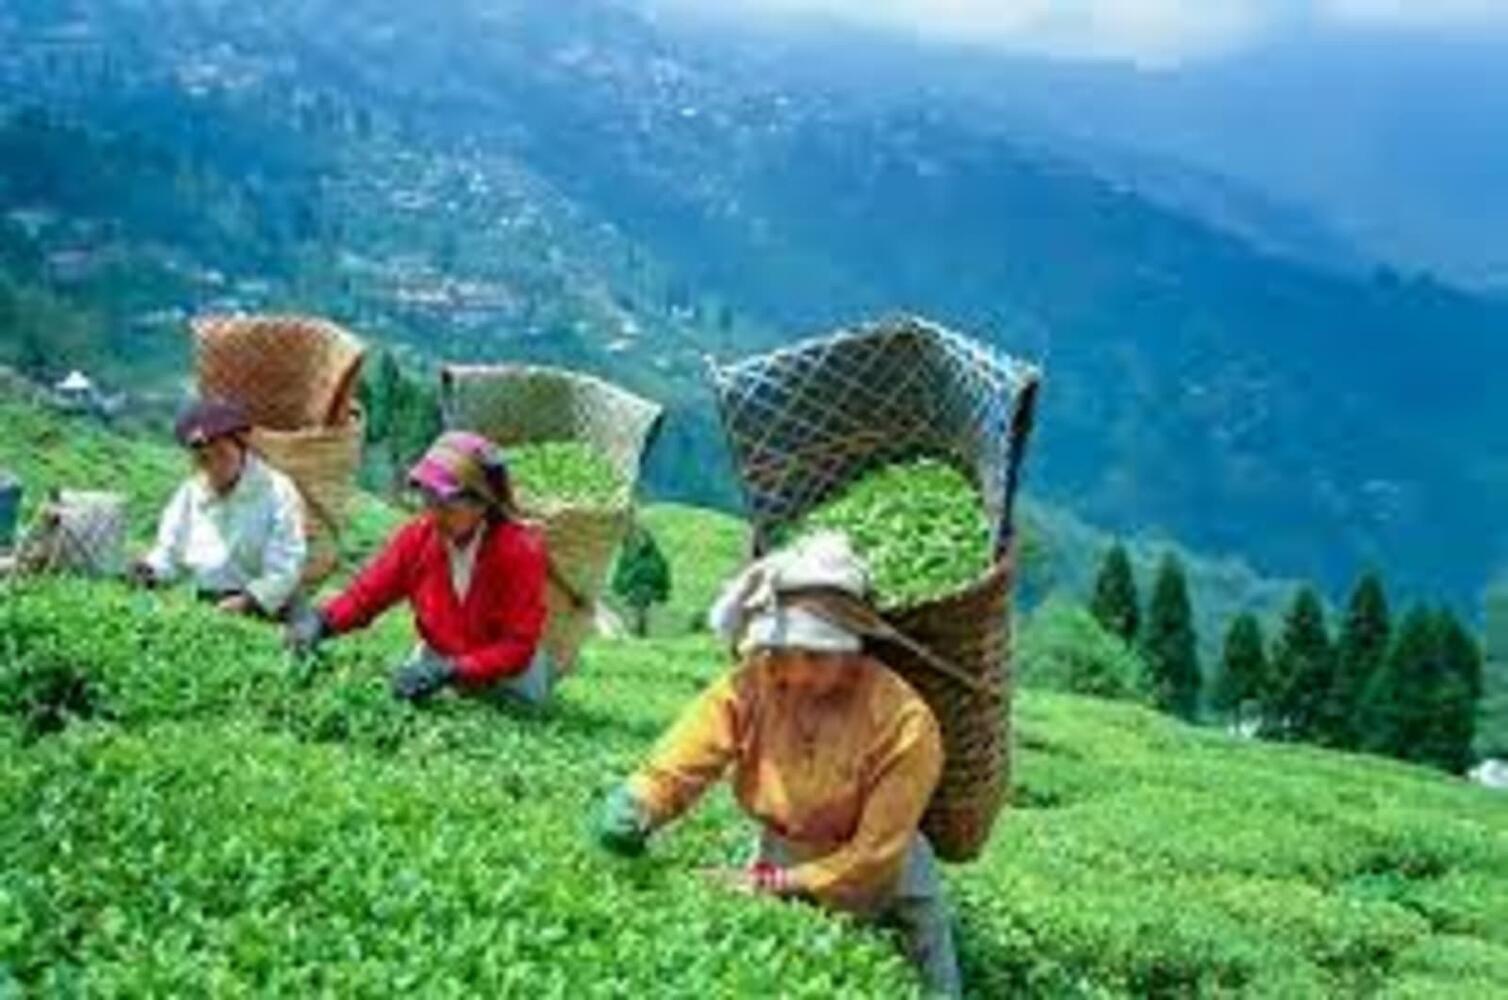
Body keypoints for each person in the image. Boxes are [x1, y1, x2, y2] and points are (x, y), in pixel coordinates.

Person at [594, 532, 962, 997]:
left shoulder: (903, 722)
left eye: (816, 655)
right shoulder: (754, 683)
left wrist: (772, 883)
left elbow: (873, 858)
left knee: (930, 986)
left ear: (852, 649)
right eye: (784, 653)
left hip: (890, 878)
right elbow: (693, 748)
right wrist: (643, 799)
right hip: (782, 851)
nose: (797, 672)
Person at [285, 430, 552, 706]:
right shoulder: (419, 537)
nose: (433, 515)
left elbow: (517, 646)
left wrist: (452, 670)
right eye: (428, 501)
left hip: (508, 677)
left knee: (508, 717)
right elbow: (369, 594)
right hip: (439, 656)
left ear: (481, 503)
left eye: (446, 506)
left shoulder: (519, 550)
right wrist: (324, 622)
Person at [131, 399, 307, 618]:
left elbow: (286, 566)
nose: (214, 466)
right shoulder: (190, 493)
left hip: (269, 608)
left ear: (242, 447)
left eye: (222, 454)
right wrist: (150, 571)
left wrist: (249, 601)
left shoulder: (277, 490)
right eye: (204, 459)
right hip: (209, 604)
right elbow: (169, 552)